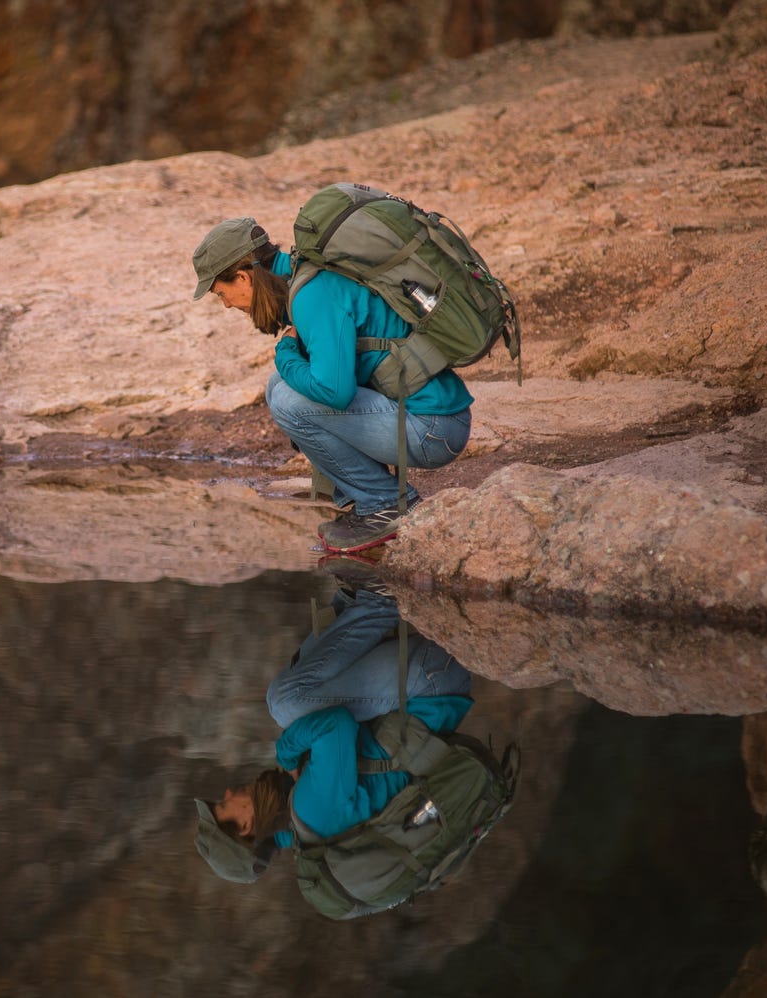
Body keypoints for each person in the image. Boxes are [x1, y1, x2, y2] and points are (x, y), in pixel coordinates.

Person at [191, 213, 474, 552]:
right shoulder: (307, 276)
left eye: (221, 294)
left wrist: (285, 351)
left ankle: (386, 505)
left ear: (242, 277)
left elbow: (334, 393)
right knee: (279, 386)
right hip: (422, 418)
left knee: (288, 403)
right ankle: (360, 496)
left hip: (435, 431)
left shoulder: (312, 295)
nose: (225, 305)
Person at [193, 584, 474, 884]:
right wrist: (286, 752)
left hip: (425, 686)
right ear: (247, 824)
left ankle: (356, 596)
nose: (227, 794)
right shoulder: (312, 812)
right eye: (224, 806)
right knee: (285, 705)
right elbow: (336, 725)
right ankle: (377, 600)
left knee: (297, 711)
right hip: (433, 681)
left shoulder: (302, 822)